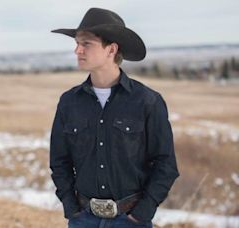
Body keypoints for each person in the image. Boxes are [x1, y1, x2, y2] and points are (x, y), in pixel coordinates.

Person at [49, 8, 179, 227]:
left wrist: (142, 213)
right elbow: (59, 161)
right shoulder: (69, 102)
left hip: (130, 220)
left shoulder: (147, 101)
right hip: (83, 219)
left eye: (86, 43)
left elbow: (166, 164)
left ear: (111, 49)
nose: (77, 50)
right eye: (77, 43)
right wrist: (71, 208)